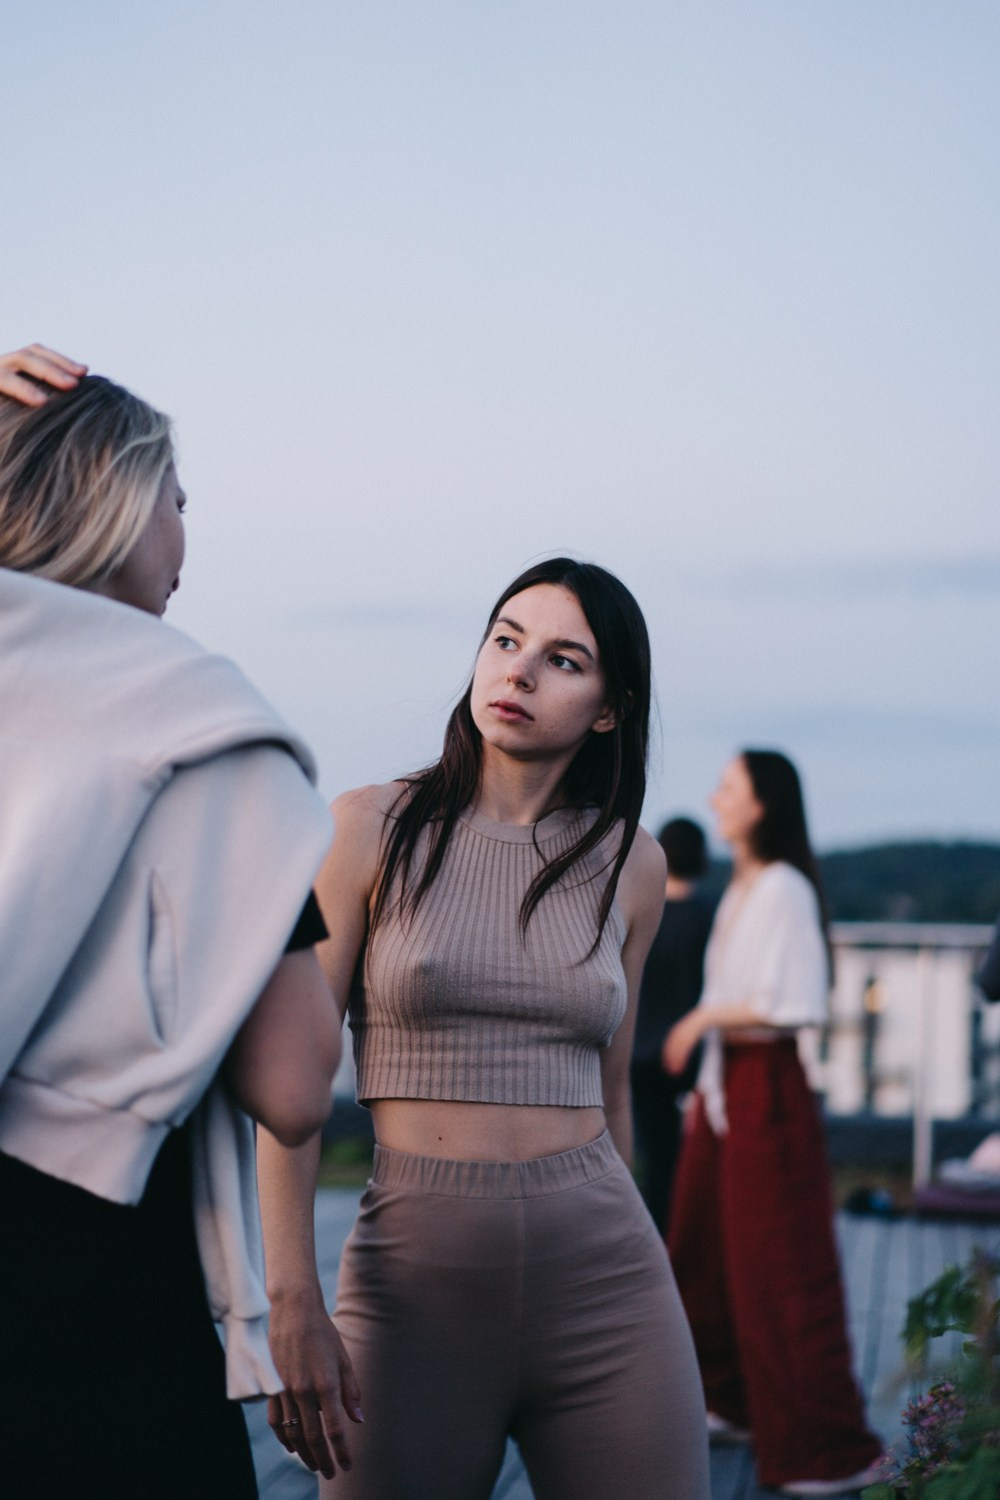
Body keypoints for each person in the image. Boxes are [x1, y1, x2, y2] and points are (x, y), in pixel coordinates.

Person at [256, 559, 711, 1499]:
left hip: (604, 1277)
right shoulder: (366, 829)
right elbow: (289, 1092)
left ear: (610, 709)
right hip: (412, 1283)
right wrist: (291, 1293)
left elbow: (614, 1085)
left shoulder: (631, 864)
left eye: (562, 659)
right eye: (505, 641)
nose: (518, 672)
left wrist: (651, 1254)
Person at [0, 345, 342, 1499]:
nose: (187, 546)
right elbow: (295, 1087)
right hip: (97, 1306)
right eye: (179, 504)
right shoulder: (200, 722)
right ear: (120, 498)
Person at [663, 750, 882, 1498]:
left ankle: (824, 1443)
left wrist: (700, 1019)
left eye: (730, 787)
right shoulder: (743, 886)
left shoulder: (783, 887)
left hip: (766, 1084)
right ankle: (726, 1396)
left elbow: (791, 1001)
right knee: (700, 1245)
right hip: (728, 1086)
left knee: (782, 1264)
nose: (716, 799)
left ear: (763, 806)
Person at [630, 816, 715, 1233]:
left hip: (633, 1050)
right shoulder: (709, 918)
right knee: (677, 1164)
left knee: (645, 1162)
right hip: (689, 1058)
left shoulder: (644, 912)